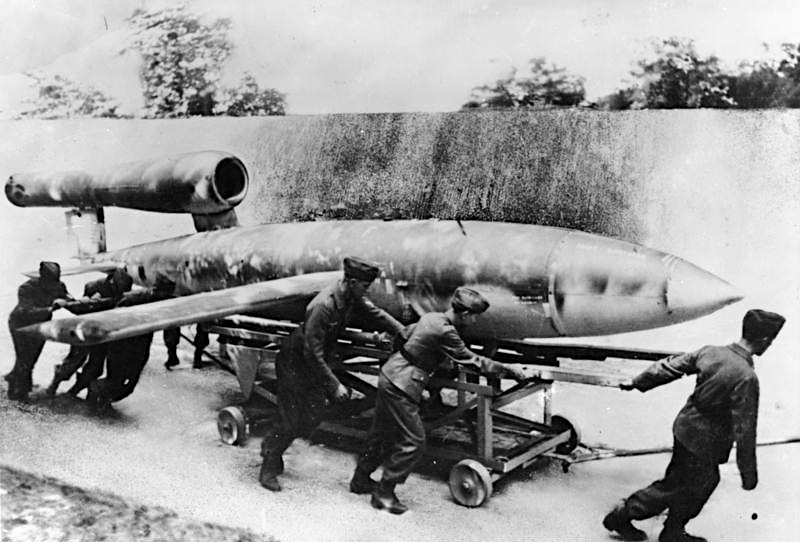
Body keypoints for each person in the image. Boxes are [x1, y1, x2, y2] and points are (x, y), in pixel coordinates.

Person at [603, 309, 785, 542]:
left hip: (686, 425)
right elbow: (745, 430)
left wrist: (638, 382)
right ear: (764, 341)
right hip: (705, 439)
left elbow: (672, 366)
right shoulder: (746, 377)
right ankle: (628, 514)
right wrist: (748, 474)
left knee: (687, 480)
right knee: (685, 485)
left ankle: (671, 530)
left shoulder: (711, 352)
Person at [350, 287, 528, 514]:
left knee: (381, 432)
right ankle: (384, 494)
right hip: (401, 385)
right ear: (463, 313)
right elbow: (472, 361)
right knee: (414, 441)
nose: (474, 321)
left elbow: (403, 336)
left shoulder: (431, 317)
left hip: (390, 375)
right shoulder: (447, 332)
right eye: (473, 316)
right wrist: (509, 371)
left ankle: (360, 480)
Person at [258, 256, 405, 492]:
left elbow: (375, 313)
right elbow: (311, 352)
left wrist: (402, 330)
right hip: (296, 362)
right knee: (291, 419)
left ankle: (271, 445)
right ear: (353, 282)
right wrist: (334, 384)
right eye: (365, 286)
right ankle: (269, 464)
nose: (366, 291)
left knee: (313, 415)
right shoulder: (323, 305)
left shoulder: (350, 295)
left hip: (314, 363)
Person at [85, 274, 176, 413]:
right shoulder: (134, 298)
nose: (165, 296)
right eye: (164, 292)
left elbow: (172, 325)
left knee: (130, 385)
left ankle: (103, 396)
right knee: (115, 380)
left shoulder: (164, 302)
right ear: (156, 289)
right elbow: (113, 318)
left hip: (141, 348)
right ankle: (95, 397)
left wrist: (172, 350)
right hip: (121, 347)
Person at [46, 268, 134, 396]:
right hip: (85, 330)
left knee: (95, 368)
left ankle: (74, 391)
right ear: (111, 282)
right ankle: (54, 385)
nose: (120, 292)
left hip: (102, 333)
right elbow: (80, 310)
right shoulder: (93, 286)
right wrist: (88, 302)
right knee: (72, 363)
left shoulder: (123, 290)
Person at [5, 261, 72, 401]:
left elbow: (67, 298)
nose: (52, 285)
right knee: (25, 359)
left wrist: (79, 301)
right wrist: (51, 308)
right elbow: (26, 311)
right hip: (20, 325)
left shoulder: (58, 285)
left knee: (32, 358)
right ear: (42, 277)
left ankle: (15, 379)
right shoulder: (27, 287)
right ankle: (19, 394)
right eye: (50, 281)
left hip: (41, 325)